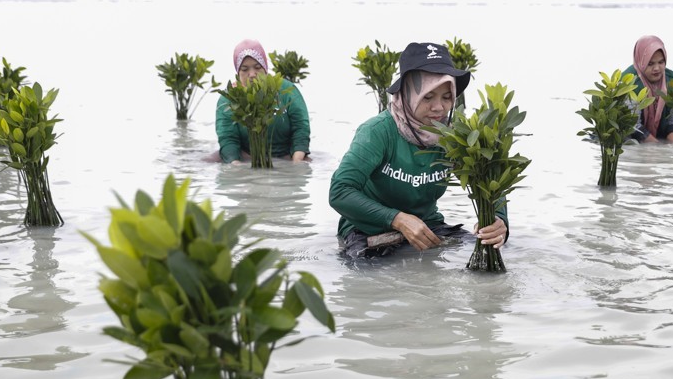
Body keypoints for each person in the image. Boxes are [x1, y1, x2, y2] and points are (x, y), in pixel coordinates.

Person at [329, 42, 509, 258]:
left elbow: (488, 180)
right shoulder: (377, 132)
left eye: (446, 97)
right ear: (407, 94)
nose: (439, 108)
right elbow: (340, 191)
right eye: (428, 96)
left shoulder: (456, 135)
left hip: (428, 227)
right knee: (373, 279)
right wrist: (398, 219)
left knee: (488, 251)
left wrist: (499, 220)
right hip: (366, 230)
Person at [215, 39, 311, 163]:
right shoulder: (229, 98)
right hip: (247, 156)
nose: (252, 74)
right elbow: (228, 138)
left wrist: (296, 162)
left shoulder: (286, 89)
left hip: (287, 154)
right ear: (238, 72)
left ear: (265, 68)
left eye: (257, 67)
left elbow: (301, 127)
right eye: (244, 69)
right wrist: (236, 167)